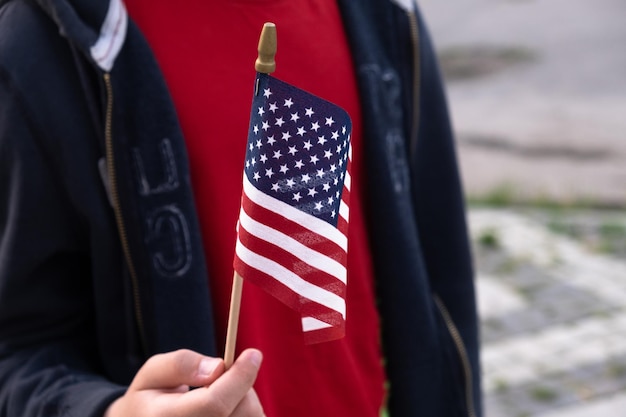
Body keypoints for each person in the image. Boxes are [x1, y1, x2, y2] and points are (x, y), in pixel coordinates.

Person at [0, 0, 482, 416]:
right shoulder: (42, 37)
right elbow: (21, 352)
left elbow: (443, 291)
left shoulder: (387, 15)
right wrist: (109, 410)